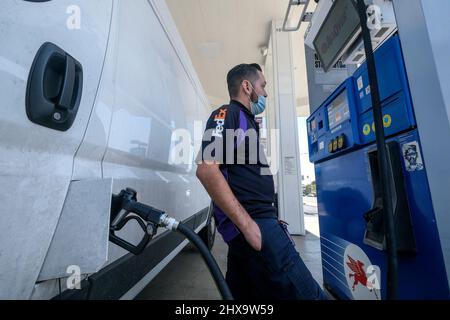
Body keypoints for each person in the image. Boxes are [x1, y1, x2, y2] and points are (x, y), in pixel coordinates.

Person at [196, 63, 327, 300]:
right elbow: (207, 170)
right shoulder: (228, 113)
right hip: (255, 228)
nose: (265, 93)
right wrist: (248, 226)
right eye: (262, 86)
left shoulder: (246, 121)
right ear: (247, 86)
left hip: (257, 226)